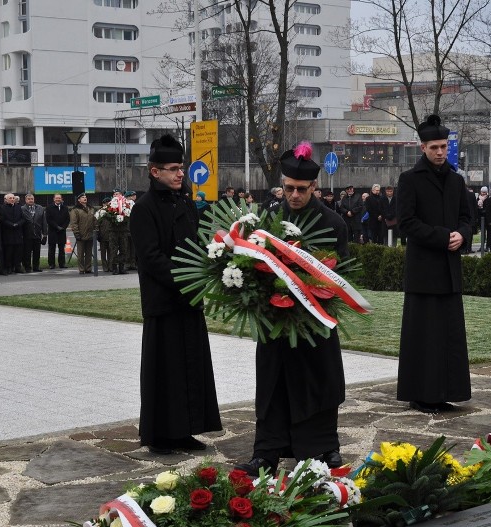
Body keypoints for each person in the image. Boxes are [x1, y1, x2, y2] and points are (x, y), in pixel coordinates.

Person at [235, 141, 349, 477]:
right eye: (288, 188)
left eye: (301, 189)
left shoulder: (333, 223)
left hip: (313, 320)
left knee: (318, 383)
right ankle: (266, 451)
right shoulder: (267, 220)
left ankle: (322, 446)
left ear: (314, 186)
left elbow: (338, 276)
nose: (294, 195)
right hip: (273, 320)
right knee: (272, 385)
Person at [129, 133, 222, 454]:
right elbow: (150, 257)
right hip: (164, 301)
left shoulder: (185, 201)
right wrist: (186, 277)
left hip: (190, 299)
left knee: (191, 367)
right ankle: (162, 435)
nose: (180, 173)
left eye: (180, 167)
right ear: (155, 171)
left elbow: (196, 245)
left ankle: (187, 430)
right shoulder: (143, 208)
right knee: (165, 370)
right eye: (172, 168)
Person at [396, 114, 472, 414]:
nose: (440, 152)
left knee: (449, 336)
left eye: (443, 146)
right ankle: (421, 394)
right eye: (434, 147)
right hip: (424, 271)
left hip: (449, 271)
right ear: (423, 148)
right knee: (424, 336)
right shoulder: (409, 180)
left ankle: (446, 392)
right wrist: (443, 237)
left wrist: (462, 235)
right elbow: (406, 223)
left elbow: (468, 219)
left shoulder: (456, 179)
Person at [69, 193, 95, 274]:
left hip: (90, 234)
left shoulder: (91, 209)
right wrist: (76, 234)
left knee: (89, 253)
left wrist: (95, 231)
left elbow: (95, 221)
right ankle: (81, 268)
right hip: (81, 234)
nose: (85, 198)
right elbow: (74, 223)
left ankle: (88, 268)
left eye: (85, 197)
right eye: (82, 197)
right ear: (79, 200)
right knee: (80, 253)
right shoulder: (75, 210)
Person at [21, 193, 47, 272]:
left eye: (32, 199)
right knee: (27, 252)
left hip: (37, 234)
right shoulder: (22, 208)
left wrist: (45, 234)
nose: (30, 200)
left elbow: (44, 222)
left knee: (37, 252)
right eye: (28, 199)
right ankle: (27, 267)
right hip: (27, 234)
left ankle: (36, 267)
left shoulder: (40, 208)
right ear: (25, 200)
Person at [0, 193, 25, 274]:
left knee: (18, 252)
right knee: (8, 252)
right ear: (6, 199)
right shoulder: (2, 208)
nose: (12, 199)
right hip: (8, 233)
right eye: (10, 198)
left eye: (13, 198)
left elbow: (23, 218)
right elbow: (2, 219)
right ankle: (8, 267)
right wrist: (11, 224)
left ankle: (17, 267)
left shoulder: (19, 207)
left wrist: (18, 224)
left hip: (17, 233)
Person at [45, 194, 70, 269]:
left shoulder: (65, 208)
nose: (58, 199)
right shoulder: (49, 207)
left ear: (61, 199)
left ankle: (62, 264)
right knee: (52, 249)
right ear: (54, 199)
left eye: (59, 198)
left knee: (62, 249)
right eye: (56, 198)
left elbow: (67, 219)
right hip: (53, 230)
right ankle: (51, 264)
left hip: (62, 231)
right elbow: (48, 219)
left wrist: (63, 227)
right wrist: (56, 226)